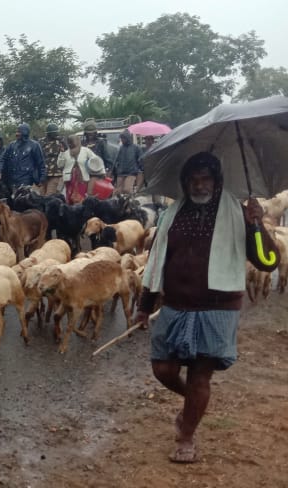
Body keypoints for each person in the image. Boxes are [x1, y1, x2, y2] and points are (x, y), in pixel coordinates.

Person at [134, 151, 278, 464]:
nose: (199, 185)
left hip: (218, 308)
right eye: (193, 180)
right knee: (163, 369)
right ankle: (193, 404)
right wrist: (145, 305)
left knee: (201, 376)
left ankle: (186, 436)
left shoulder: (237, 212)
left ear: (217, 181)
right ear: (185, 183)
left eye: (206, 179)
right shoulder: (173, 213)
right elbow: (158, 260)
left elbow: (269, 262)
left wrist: (257, 225)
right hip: (175, 305)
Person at [58, 135, 105, 204]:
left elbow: (96, 161)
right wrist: (61, 153)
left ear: (77, 141)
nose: (71, 144)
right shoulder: (66, 153)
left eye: (72, 142)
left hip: (82, 180)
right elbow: (60, 165)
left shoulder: (85, 151)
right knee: (69, 199)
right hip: (69, 180)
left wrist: (102, 172)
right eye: (69, 142)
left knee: (81, 199)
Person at [0, 123, 45, 190]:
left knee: (23, 199)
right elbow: (2, 159)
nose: (16, 134)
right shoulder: (12, 145)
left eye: (19, 132)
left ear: (25, 132)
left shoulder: (34, 145)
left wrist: (42, 178)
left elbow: (41, 163)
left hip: (26, 180)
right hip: (11, 180)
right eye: (16, 132)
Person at [113, 130, 144, 194]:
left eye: (123, 138)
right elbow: (116, 160)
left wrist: (140, 171)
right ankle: (120, 204)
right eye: (121, 138)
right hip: (120, 173)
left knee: (127, 190)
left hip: (131, 173)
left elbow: (141, 160)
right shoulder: (121, 148)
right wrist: (114, 170)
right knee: (118, 192)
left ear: (127, 138)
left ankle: (130, 202)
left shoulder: (136, 148)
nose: (122, 140)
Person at [40, 123, 66, 196]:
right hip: (43, 173)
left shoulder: (60, 142)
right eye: (53, 133)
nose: (55, 135)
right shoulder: (41, 142)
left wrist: (63, 142)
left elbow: (66, 153)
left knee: (49, 195)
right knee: (41, 195)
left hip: (55, 173)